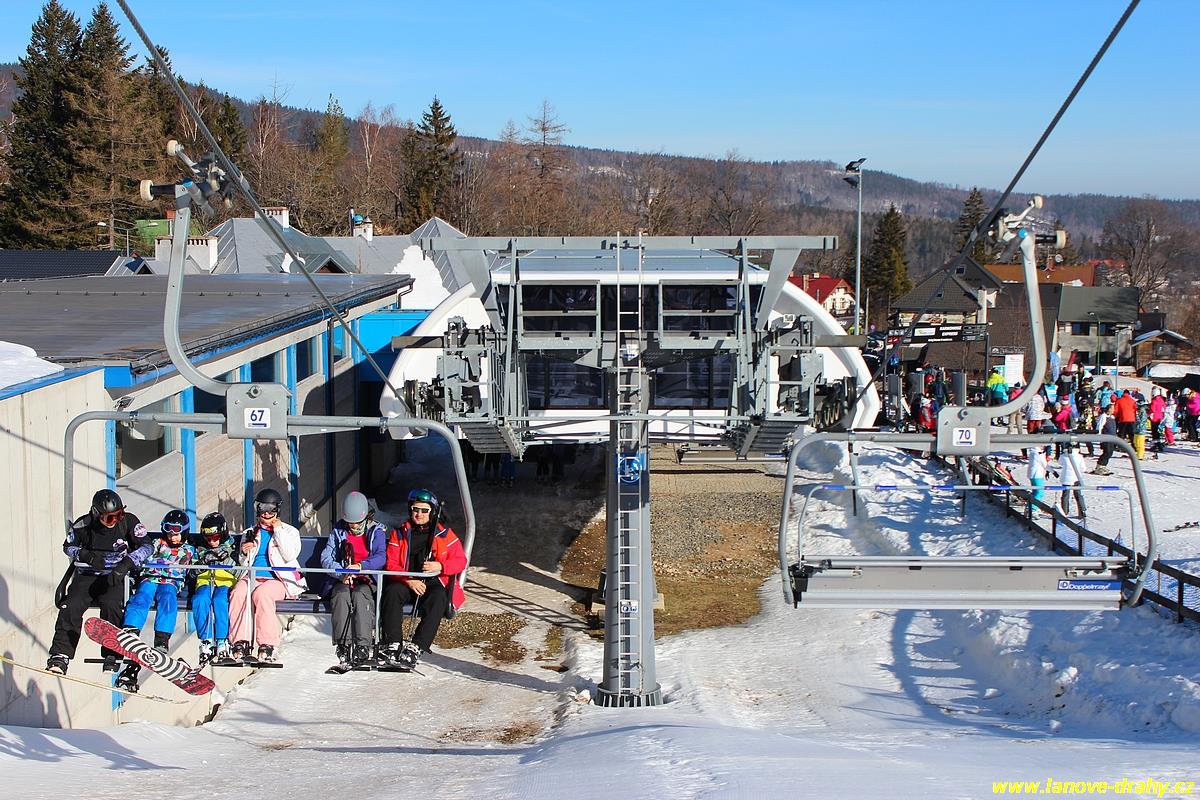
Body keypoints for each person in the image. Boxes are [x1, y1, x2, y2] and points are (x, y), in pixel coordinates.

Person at [47, 489, 151, 675]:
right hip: (87, 574)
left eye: (118, 515)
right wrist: (85, 555)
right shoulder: (84, 524)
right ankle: (60, 654)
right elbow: (68, 546)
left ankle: (112, 653)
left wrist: (126, 564)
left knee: (111, 604)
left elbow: (147, 546)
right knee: (71, 605)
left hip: (115, 574)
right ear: (96, 514)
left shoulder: (128, 522)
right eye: (110, 517)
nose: (115, 520)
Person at [378, 489, 467, 670]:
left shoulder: (443, 534)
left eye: (424, 510)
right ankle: (393, 643)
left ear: (432, 512)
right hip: (406, 580)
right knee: (392, 591)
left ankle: (417, 645)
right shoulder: (400, 533)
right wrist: (409, 580)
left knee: (439, 597)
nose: (419, 514)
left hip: (431, 581)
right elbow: (392, 564)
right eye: (415, 509)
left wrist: (440, 566)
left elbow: (460, 561)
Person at [116, 510, 196, 691]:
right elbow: (144, 554)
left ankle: (161, 638)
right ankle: (131, 629)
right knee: (141, 598)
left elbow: (196, 566)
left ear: (184, 532)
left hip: (171, 582)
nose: (172, 536)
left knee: (168, 600)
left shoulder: (189, 550)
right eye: (169, 531)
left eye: (176, 532)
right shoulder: (155, 543)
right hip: (150, 578)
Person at [228, 488, 307, 664]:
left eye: (271, 509)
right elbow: (243, 563)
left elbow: (289, 554)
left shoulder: (289, 531)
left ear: (277, 510)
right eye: (263, 508)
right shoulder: (250, 532)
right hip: (252, 576)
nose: (266, 514)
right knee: (238, 592)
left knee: (262, 595)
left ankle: (268, 644)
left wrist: (277, 530)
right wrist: (244, 552)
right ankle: (240, 642)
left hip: (278, 579)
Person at [320, 491, 388, 669]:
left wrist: (361, 566)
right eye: (350, 523)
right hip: (343, 579)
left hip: (366, 579)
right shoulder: (338, 531)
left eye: (357, 522)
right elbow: (326, 557)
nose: (354, 526)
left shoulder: (376, 532)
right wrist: (341, 572)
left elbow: (380, 557)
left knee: (360, 595)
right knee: (340, 595)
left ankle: (363, 645)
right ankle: (343, 645)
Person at [192, 512, 237, 666]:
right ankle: (206, 640)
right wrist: (203, 562)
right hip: (204, 580)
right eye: (208, 538)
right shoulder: (199, 549)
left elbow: (242, 570)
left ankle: (222, 640)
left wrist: (227, 561)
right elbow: (191, 572)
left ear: (223, 533)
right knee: (200, 600)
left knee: (220, 601)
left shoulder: (233, 547)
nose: (212, 541)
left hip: (225, 581)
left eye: (215, 537)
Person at [1058, 443, 1088, 518]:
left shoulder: (1063, 456)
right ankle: (1082, 512)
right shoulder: (1079, 456)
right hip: (1077, 478)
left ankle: (1064, 511)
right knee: (1078, 495)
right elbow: (1083, 468)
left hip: (1066, 478)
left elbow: (1060, 463)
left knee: (1065, 495)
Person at [1092, 400, 1117, 475]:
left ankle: (1104, 466)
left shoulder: (1112, 417)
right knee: (1107, 452)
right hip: (1106, 438)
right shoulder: (1103, 416)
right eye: (1112, 408)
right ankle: (1099, 466)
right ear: (1109, 409)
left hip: (1112, 438)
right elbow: (1099, 426)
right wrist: (1099, 436)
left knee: (1110, 452)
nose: (1113, 410)